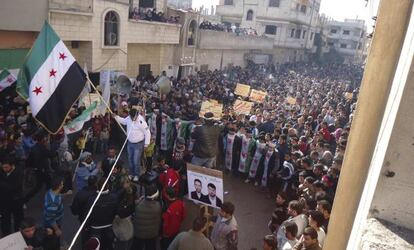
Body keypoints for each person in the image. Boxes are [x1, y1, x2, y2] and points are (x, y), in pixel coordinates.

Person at [115, 108, 151, 182]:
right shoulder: (128, 118)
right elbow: (124, 121)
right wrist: (116, 117)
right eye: (131, 117)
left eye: (133, 117)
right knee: (130, 159)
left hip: (138, 144)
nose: (132, 118)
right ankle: (131, 173)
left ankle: (136, 175)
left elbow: (147, 133)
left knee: (136, 160)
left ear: (137, 115)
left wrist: (146, 144)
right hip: (130, 143)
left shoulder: (141, 122)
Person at [87, 178, 119, 250]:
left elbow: (88, 215)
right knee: (109, 245)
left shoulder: (91, 199)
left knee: (95, 247)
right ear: (107, 186)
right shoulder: (114, 197)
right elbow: (116, 211)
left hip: (95, 227)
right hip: (109, 226)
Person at [24, 132, 54, 204]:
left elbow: (29, 160)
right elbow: (51, 155)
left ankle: (25, 200)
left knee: (40, 186)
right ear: (42, 139)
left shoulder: (34, 147)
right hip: (43, 170)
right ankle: (50, 200)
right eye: (45, 138)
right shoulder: (43, 148)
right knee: (46, 185)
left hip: (38, 170)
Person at [132, 184, 162, 250]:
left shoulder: (138, 205)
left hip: (138, 233)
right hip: (151, 234)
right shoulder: (157, 206)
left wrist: (139, 200)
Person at [0, 157, 24, 236]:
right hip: (4, 201)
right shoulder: (2, 171)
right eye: (3, 167)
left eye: (6, 167)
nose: (4, 169)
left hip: (16, 201)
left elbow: (14, 187)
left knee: (18, 219)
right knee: (5, 220)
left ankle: (19, 235)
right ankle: (6, 236)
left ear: (12, 166)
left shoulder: (18, 172)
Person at [70, 175, 97, 244]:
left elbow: (74, 210)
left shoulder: (80, 193)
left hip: (83, 218)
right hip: (95, 219)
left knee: (85, 236)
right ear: (95, 183)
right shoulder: (98, 194)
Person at [43, 176, 64, 247]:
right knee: (54, 242)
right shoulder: (54, 202)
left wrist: (65, 194)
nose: (63, 185)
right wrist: (57, 229)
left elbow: (59, 195)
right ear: (59, 186)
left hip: (49, 222)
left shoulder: (50, 191)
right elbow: (50, 218)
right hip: (53, 225)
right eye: (62, 184)